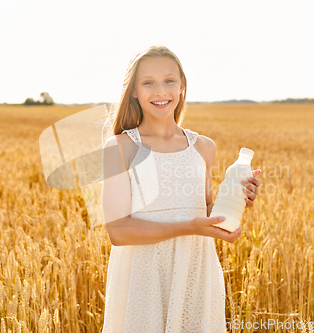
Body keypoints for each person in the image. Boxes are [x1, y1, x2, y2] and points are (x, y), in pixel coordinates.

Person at [101, 45, 261, 333]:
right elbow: (118, 231)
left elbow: (206, 207)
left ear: (182, 85)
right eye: (148, 82)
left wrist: (235, 199)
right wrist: (192, 226)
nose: (160, 91)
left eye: (169, 81)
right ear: (134, 91)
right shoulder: (120, 148)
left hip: (196, 270)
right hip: (142, 276)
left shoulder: (203, 147)